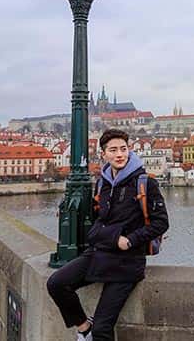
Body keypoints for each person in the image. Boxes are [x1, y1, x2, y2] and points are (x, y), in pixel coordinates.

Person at [47, 129, 169, 341]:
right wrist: (110, 236)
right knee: (56, 284)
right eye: (113, 150)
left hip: (127, 262)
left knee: (103, 330)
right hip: (100, 254)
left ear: (129, 150)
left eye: (123, 149)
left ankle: (93, 329)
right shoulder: (102, 183)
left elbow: (161, 223)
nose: (119, 154)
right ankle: (85, 327)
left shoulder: (146, 183)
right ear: (103, 154)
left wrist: (130, 240)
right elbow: (97, 221)